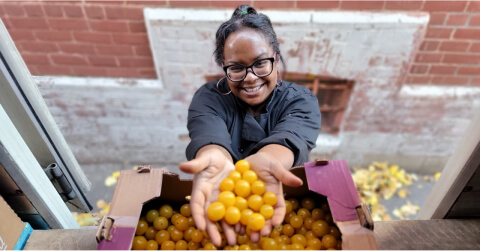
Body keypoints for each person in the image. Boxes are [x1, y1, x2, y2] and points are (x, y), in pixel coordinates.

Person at [179, 4, 321, 247]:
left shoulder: (301, 101)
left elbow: (288, 139)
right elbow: (209, 137)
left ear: (276, 58)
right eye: (236, 68)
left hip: (277, 195)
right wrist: (214, 156)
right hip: (222, 198)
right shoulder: (209, 98)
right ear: (224, 67)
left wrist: (269, 161)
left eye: (260, 63)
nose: (251, 77)